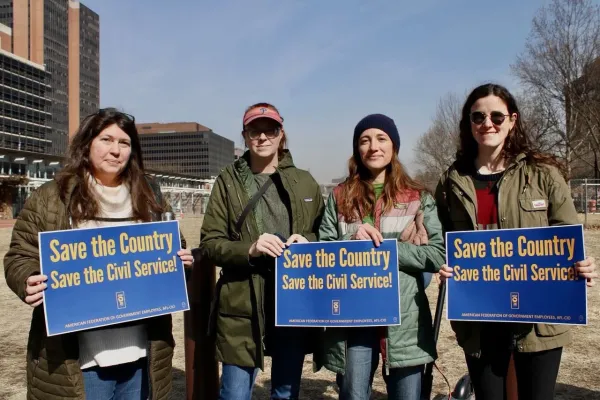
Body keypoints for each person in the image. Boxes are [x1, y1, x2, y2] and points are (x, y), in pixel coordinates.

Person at [4, 108, 193, 400]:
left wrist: (183, 263)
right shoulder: (52, 197)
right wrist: (27, 278)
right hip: (80, 361)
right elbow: (20, 255)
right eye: (106, 139)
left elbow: (173, 248)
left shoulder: (150, 194)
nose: (116, 150)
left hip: (142, 354)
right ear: (87, 143)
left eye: (125, 143)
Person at [436, 83, 598, 400]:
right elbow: (442, 242)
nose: (488, 124)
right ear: (468, 123)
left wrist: (583, 265)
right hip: (481, 318)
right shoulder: (452, 180)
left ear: (512, 120)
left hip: (538, 318)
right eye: (478, 116)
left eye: (497, 116)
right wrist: (443, 265)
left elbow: (567, 237)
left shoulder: (545, 173)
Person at [199, 102, 324, 400]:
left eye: (271, 129)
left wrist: (309, 242)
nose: (263, 136)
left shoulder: (305, 182)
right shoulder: (227, 182)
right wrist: (250, 248)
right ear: (245, 136)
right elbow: (210, 242)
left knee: (285, 391)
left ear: (282, 134)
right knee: (234, 393)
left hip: (291, 301)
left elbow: (327, 235)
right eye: (255, 130)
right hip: (241, 302)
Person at [317, 114, 445, 400]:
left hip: (405, 319)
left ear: (394, 147)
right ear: (357, 149)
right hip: (354, 318)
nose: (373, 147)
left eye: (381, 138)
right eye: (364, 140)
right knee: (353, 394)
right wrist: (351, 241)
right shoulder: (338, 197)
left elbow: (438, 253)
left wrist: (387, 252)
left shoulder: (418, 197)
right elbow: (322, 251)